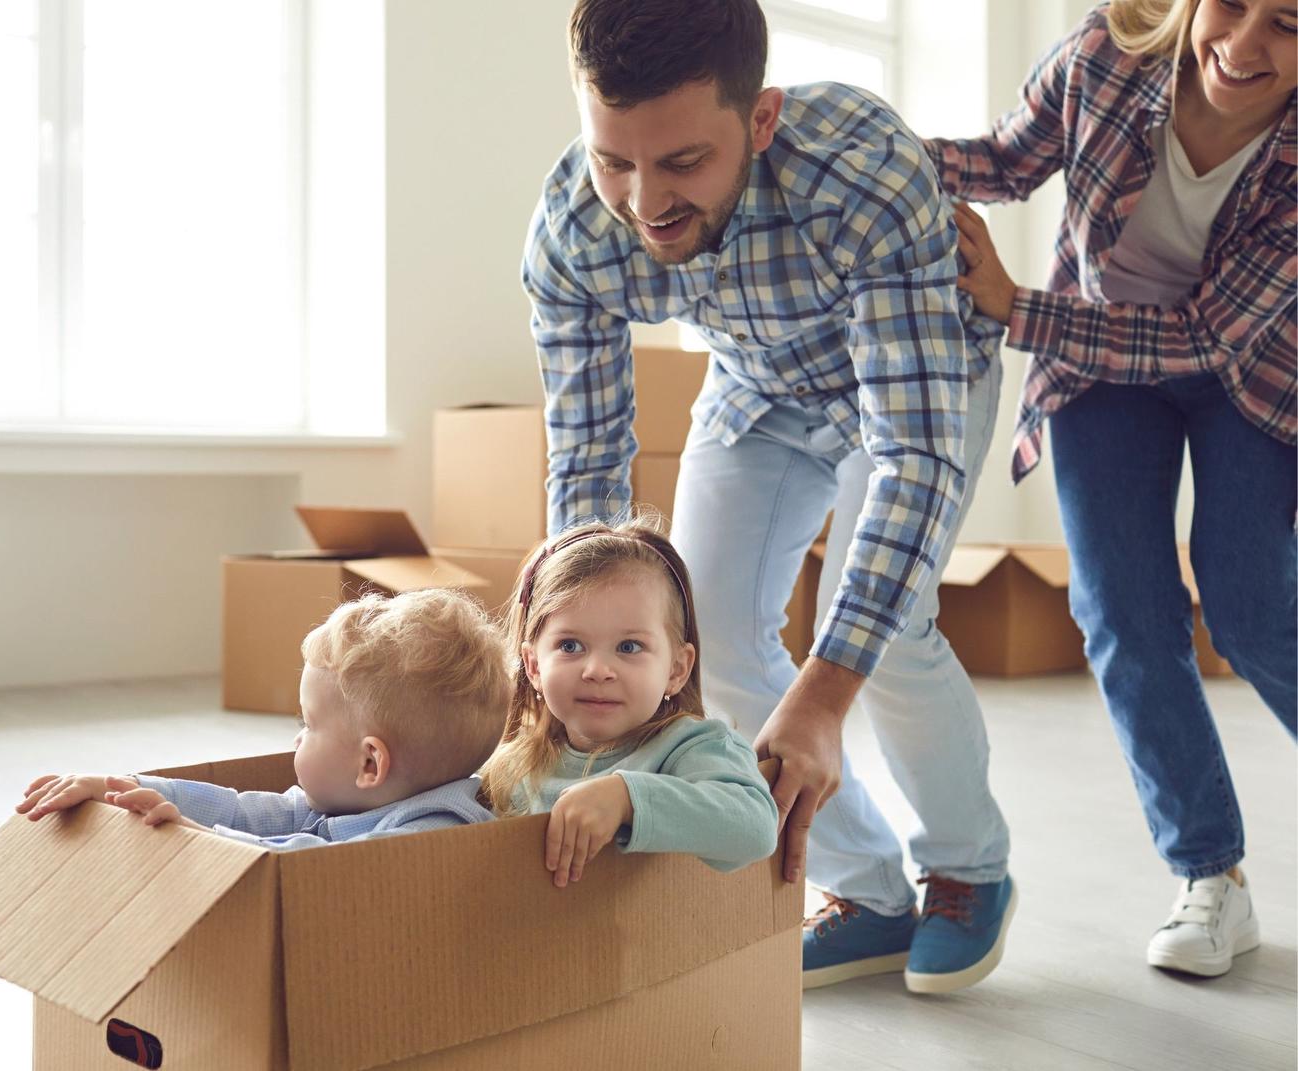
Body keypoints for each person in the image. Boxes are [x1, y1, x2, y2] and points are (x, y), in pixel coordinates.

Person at [522, 0, 1013, 991]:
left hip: (917, 374)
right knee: (698, 633)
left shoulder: (863, 170)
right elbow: (587, 465)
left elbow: (914, 455)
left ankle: (967, 871)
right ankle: (868, 891)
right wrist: (561, 642)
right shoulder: (574, 229)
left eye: (682, 164)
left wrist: (827, 694)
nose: (644, 201)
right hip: (761, 386)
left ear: (761, 119)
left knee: (887, 619)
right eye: (614, 160)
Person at [926, 0, 1295, 977]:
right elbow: (1004, 161)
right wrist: (863, 154)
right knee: (1120, 611)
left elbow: (1209, 338)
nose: (1242, 45)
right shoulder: (1106, 52)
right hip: (1095, 362)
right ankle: (1211, 876)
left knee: (1250, 603)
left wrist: (1016, 306)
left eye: (1290, 24)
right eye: (1231, 5)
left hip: (1248, 373)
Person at [16, 588, 512, 850]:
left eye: (310, 724)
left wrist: (204, 845)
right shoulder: (339, 799)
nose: (298, 738)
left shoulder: (433, 830)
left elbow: (308, 870)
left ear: (369, 764)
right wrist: (124, 787)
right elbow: (242, 811)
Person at [478, 517, 778, 886]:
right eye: (570, 646)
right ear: (534, 666)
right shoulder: (513, 765)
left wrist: (626, 799)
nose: (598, 670)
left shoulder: (692, 747)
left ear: (676, 669)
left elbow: (755, 827)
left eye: (629, 647)